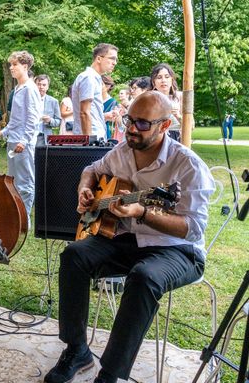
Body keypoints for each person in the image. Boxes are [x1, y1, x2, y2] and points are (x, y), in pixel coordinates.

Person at [44, 91, 214, 383]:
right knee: (74, 255)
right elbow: (91, 170)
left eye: (142, 124)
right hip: (125, 240)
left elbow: (194, 228)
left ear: (164, 125)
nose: (132, 128)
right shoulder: (121, 151)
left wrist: (143, 213)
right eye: (129, 120)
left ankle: (109, 374)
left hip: (177, 250)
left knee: (144, 277)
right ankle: (77, 350)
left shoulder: (187, 165)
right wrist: (85, 190)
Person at [0, 51, 41, 227]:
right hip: (13, 140)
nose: (11, 67)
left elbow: (33, 118)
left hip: (23, 144)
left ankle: (25, 220)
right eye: (11, 64)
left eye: (14, 64)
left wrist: (24, 141)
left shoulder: (30, 89)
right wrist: (2, 132)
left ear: (25, 66)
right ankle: (15, 215)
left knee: (25, 182)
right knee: (12, 180)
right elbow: (16, 120)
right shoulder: (18, 88)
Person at [72, 43, 118, 138]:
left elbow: (92, 113)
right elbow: (84, 112)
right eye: (112, 58)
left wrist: (105, 116)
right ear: (99, 59)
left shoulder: (95, 78)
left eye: (116, 59)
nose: (115, 63)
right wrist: (88, 142)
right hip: (91, 138)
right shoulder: (89, 77)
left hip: (97, 135)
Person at [150, 63, 182, 141]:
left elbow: (191, 126)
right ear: (154, 82)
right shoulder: (150, 99)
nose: (163, 80)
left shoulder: (180, 96)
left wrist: (178, 116)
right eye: (159, 77)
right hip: (155, 138)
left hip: (176, 138)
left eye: (167, 77)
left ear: (172, 80)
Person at [35, 74, 61, 144]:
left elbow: (59, 121)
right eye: (39, 84)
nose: (41, 87)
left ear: (48, 87)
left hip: (44, 137)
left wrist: (50, 120)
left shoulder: (54, 101)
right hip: (30, 136)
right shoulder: (29, 100)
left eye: (44, 85)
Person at [101, 74, 118, 140]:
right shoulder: (93, 99)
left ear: (108, 86)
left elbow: (113, 120)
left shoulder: (112, 102)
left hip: (105, 130)